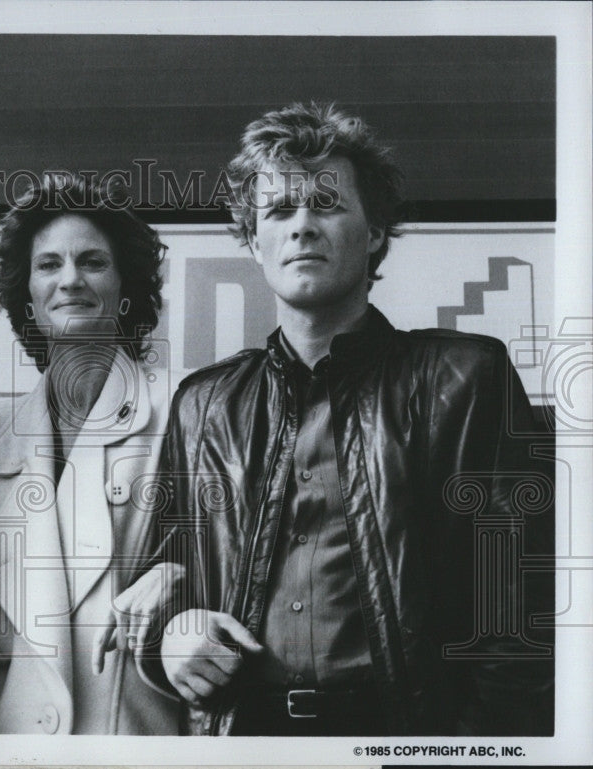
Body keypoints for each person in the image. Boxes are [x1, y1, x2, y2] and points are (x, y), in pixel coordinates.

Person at [143, 103, 554, 736]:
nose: (302, 226)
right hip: (243, 735)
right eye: (279, 211)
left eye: (327, 205)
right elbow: (163, 581)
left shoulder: (467, 376)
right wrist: (171, 635)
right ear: (254, 242)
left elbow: (517, 606)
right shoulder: (203, 403)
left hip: (406, 733)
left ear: (377, 231)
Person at [0, 173, 181, 734]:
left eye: (92, 262)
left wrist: (179, 575)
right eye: (48, 265)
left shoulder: (185, 414)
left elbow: (241, 560)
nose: (70, 280)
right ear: (26, 293)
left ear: (126, 288)